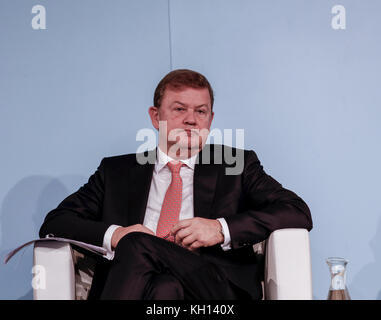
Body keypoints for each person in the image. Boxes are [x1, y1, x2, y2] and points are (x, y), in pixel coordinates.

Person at [39, 69, 313, 300]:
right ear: (155, 116)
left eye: (201, 111)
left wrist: (220, 228)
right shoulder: (116, 172)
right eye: (180, 109)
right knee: (163, 286)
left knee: (139, 244)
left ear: (211, 119)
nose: (191, 119)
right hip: (144, 289)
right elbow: (56, 221)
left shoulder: (235, 164)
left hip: (215, 290)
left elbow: (296, 210)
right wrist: (116, 235)